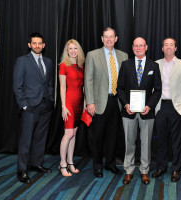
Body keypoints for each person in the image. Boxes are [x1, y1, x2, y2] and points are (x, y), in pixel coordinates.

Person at [117, 37, 162, 185]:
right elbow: (120, 88)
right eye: (135, 46)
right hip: (128, 111)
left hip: (146, 111)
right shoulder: (125, 65)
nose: (138, 48)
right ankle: (128, 170)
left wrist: (149, 105)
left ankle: (144, 171)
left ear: (146, 47)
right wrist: (126, 104)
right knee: (129, 142)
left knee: (146, 143)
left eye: (141, 45)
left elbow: (158, 90)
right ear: (132, 47)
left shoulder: (153, 66)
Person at [84, 27, 128, 178]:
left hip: (117, 102)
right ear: (102, 39)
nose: (109, 39)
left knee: (113, 136)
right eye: (106, 37)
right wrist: (90, 102)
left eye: (112, 37)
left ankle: (110, 164)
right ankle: (97, 166)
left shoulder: (123, 56)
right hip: (99, 102)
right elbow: (88, 80)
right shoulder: (92, 55)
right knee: (97, 136)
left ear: (116, 39)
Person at [13, 32, 54, 184]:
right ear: (30, 45)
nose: (37, 46)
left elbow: (49, 83)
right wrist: (23, 105)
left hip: (45, 106)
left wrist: (51, 98)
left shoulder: (48, 62)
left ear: (43, 45)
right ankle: (22, 170)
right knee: (26, 139)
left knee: (40, 137)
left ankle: (36, 163)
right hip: (30, 106)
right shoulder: (22, 61)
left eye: (40, 43)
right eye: (34, 43)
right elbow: (17, 86)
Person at [152, 38, 181, 182]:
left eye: (171, 45)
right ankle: (161, 167)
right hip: (160, 107)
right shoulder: (155, 64)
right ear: (162, 48)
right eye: (166, 45)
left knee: (177, 141)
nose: (168, 47)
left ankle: (176, 169)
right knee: (161, 140)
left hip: (177, 108)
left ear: (176, 48)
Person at [58, 39, 85, 176]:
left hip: (80, 103)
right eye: (70, 49)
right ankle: (62, 164)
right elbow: (62, 87)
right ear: (67, 51)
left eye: (75, 48)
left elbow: (83, 86)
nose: (73, 51)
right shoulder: (63, 65)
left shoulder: (81, 65)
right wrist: (63, 106)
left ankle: (70, 162)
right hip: (69, 102)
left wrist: (85, 104)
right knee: (68, 134)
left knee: (74, 134)